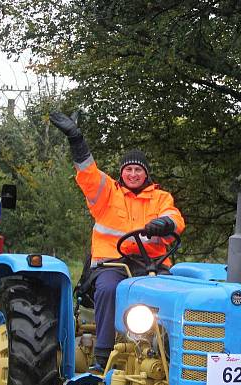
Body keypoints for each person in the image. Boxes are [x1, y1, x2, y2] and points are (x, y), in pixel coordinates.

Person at [50, 111, 185, 371]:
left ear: (146, 174)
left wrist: (165, 224)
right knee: (109, 289)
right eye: (129, 169)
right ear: (122, 173)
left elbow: (175, 218)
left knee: (175, 296)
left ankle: (171, 355)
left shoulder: (160, 198)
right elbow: (88, 174)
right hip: (112, 263)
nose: (133, 174)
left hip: (151, 264)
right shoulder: (107, 193)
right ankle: (102, 355)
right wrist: (77, 141)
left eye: (138, 170)